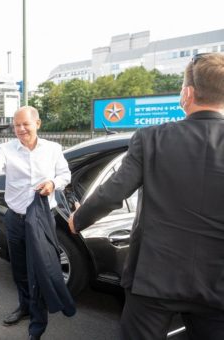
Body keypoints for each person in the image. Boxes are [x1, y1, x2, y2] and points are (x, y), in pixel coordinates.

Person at [68, 53, 224, 340]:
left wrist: (78, 218)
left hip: (154, 280)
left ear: (187, 93)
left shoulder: (150, 138)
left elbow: (112, 193)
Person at [0, 106, 72, 340]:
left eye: (25, 124)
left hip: (41, 219)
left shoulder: (53, 149)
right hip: (15, 218)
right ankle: (25, 307)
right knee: (19, 269)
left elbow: (65, 175)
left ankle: (37, 327)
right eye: (16, 125)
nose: (20, 129)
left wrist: (52, 183)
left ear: (37, 124)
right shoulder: (6, 149)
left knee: (38, 270)